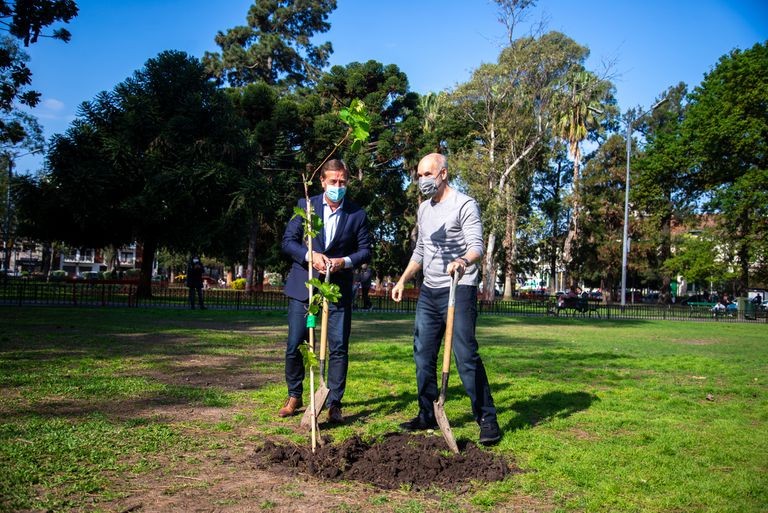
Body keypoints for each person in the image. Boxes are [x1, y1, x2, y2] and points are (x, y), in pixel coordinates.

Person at [391, 152, 501, 446]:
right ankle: (426, 413)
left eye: (428, 174)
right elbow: (421, 251)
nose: (423, 180)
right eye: (419, 175)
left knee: (465, 356)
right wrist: (403, 279)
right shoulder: (424, 210)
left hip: (459, 288)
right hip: (429, 291)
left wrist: (462, 261)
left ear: (443, 174)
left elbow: (477, 246)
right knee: (422, 356)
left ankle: (487, 420)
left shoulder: (464, 204)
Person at [280, 159, 371, 423]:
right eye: (333, 181)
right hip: (305, 285)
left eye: (342, 182)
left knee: (339, 346)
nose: (337, 187)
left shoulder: (357, 214)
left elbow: (365, 250)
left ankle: (334, 403)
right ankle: (294, 395)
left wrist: (345, 262)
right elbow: (288, 242)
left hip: (337, 287)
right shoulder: (306, 207)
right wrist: (311, 256)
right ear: (322, 181)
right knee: (296, 342)